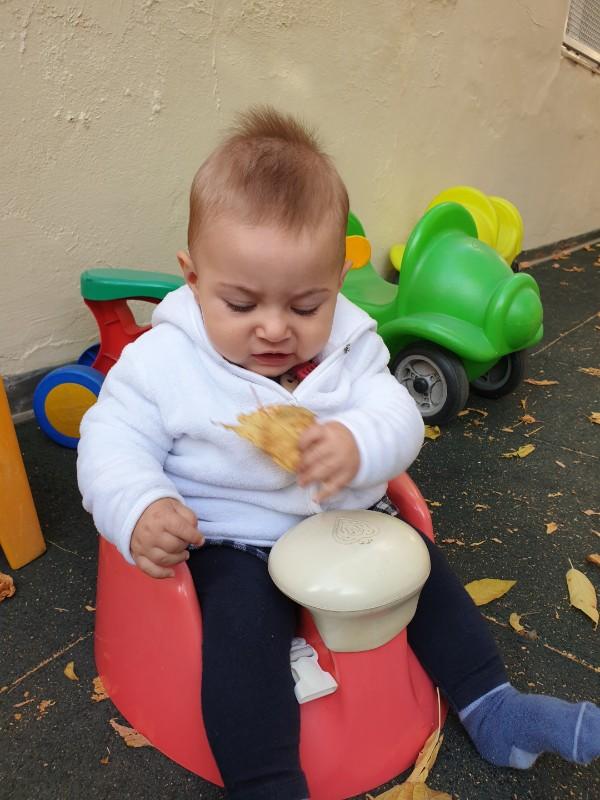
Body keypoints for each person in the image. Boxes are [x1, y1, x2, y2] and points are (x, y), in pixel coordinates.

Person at [77, 107, 600, 800]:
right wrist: (141, 506)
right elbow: (111, 440)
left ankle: (493, 705)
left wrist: (358, 443)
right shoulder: (163, 361)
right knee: (240, 640)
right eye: (241, 304)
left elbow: (396, 414)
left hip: (346, 523)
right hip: (231, 539)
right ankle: (266, 781)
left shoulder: (352, 344)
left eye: (305, 306)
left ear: (337, 280)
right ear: (193, 278)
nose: (274, 329)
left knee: (424, 575)